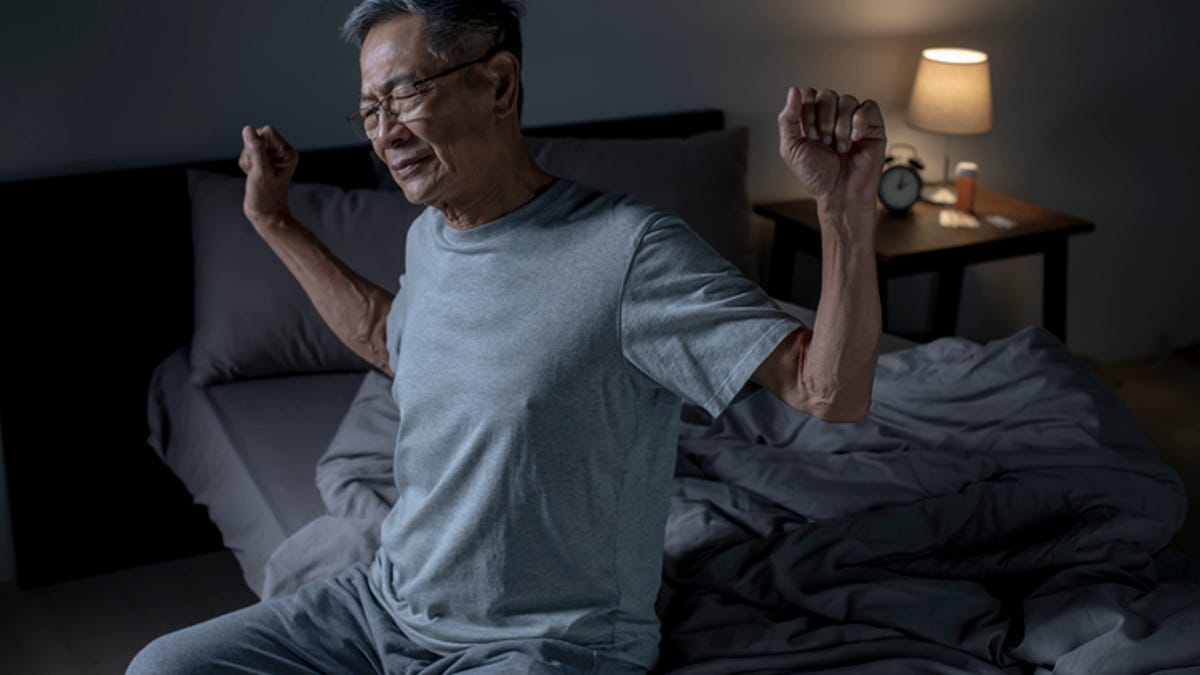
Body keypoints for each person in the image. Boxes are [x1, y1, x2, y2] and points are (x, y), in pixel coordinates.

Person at [127, 0, 884, 672]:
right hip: (383, 606)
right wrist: (273, 220)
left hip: (547, 645)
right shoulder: (432, 236)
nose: (384, 132)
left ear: (498, 84)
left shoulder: (630, 250)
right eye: (369, 110)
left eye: (405, 94)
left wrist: (843, 214)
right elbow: (397, 339)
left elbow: (829, 391)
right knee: (163, 666)